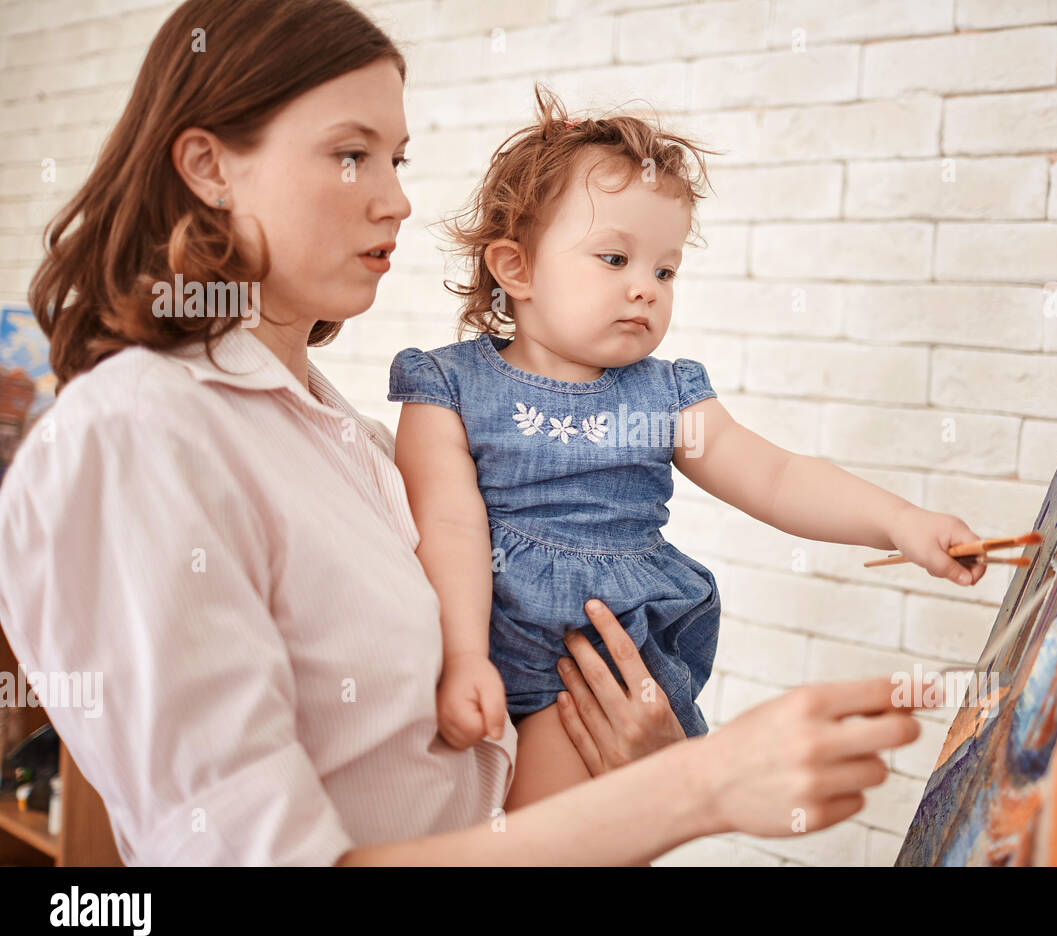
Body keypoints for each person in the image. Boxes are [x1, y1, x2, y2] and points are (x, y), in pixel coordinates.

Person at [0, 0, 949, 866]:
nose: (397, 199)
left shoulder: (348, 442)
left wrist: (646, 767)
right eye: (350, 154)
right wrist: (695, 789)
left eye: (398, 160)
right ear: (208, 166)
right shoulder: (132, 439)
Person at [387, 86, 989, 811]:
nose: (645, 290)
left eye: (664, 271)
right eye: (614, 259)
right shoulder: (447, 386)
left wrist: (900, 522)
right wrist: (461, 658)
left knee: (560, 829)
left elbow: (775, 474)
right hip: (478, 627)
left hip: (595, 654)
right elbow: (446, 529)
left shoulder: (665, 395)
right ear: (516, 269)